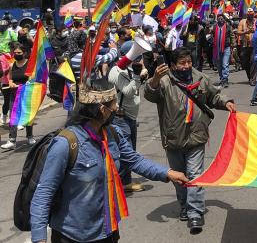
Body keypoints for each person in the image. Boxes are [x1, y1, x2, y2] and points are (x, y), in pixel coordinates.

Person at [30, 80, 189, 243]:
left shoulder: (112, 133)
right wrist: (39, 238)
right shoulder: (65, 144)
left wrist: (168, 173)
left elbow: (135, 161)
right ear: (102, 110)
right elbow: (44, 192)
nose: (116, 109)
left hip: (107, 229)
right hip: (73, 236)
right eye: (113, 105)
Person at [144, 47, 236, 231]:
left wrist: (225, 102)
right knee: (179, 177)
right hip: (173, 138)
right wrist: (154, 79)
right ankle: (184, 205)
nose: (186, 66)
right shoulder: (164, 81)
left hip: (196, 135)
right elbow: (150, 94)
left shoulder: (200, 78)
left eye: (189, 62)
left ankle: (195, 213)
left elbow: (214, 95)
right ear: (173, 65)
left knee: (195, 175)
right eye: (182, 63)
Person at [108, 41, 149, 192]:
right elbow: (129, 92)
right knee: (124, 152)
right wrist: (138, 76)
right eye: (137, 57)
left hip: (130, 117)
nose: (140, 60)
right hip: (120, 118)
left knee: (129, 151)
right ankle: (117, 185)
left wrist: (140, 74)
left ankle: (125, 183)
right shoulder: (117, 71)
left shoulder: (132, 70)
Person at [1, 43, 34, 149]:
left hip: (26, 94)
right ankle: (12, 140)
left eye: (19, 53)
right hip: (14, 94)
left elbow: (32, 78)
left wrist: (25, 85)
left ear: (24, 53)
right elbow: (10, 77)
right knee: (13, 117)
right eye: (15, 53)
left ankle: (30, 136)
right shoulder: (12, 65)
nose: (16, 54)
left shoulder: (29, 64)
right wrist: (11, 83)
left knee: (28, 115)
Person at [212, 14, 234, 88]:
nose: (220, 20)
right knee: (219, 65)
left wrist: (233, 45)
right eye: (219, 18)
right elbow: (209, 32)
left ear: (224, 19)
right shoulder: (214, 26)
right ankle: (221, 78)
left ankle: (225, 79)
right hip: (217, 49)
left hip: (226, 48)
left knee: (225, 64)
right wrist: (207, 27)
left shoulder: (227, 26)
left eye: (222, 18)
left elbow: (232, 36)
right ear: (217, 19)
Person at [237, 8, 257, 86]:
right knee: (245, 63)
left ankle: (253, 79)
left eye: (251, 14)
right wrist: (246, 32)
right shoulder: (242, 22)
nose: (250, 16)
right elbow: (238, 32)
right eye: (249, 15)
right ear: (247, 15)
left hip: (254, 45)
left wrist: (255, 31)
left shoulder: (256, 21)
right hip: (245, 45)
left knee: (253, 61)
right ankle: (250, 77)